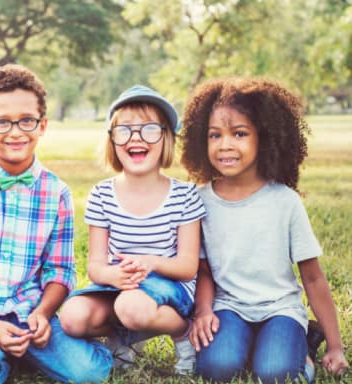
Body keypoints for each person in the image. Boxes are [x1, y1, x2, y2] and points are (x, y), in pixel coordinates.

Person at [0, 64, 112, 384]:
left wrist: (44, 314)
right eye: (3, 122)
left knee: (91, 372)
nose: (16, 131)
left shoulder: (57, 192)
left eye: (26, 120)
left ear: (42, 125)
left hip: (31, 313)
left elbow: (61, 270)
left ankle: (29, 352)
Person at [180, 77, 350, 383]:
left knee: (276, 373)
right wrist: (204, 310)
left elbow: (312, 277)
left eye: (240, 133)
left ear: (266, 137)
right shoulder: (200, 200)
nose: (225, 145)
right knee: (216, 369)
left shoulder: (284, 201)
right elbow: (203, 269)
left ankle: (305, 345)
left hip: (279, 309)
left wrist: (336, 346)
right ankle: (255, 345)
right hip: (229, 307)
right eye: (214, 135)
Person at [59, 85, 206, 375]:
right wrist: (112, 275)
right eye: (124, 130)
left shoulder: (184, 195)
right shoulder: (102, 194)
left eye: (149, 130)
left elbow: (189, 267)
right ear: (112, 141)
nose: (136, 138)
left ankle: (182, 332)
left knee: (131, 307)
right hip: (120, 283)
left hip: (170, 287)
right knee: (72, 317)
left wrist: (150, 262)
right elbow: (96, 266)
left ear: (165, 138)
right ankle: (123, 339)